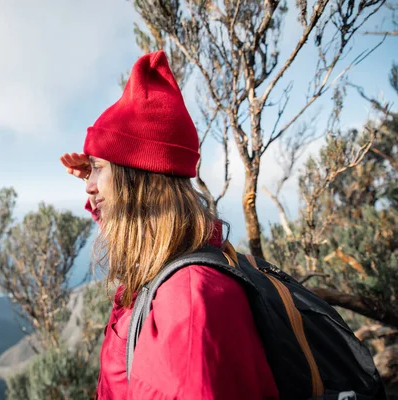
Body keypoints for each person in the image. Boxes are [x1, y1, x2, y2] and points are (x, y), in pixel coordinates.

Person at [60, 51, 279, 400]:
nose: (88, 184)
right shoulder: (171, 262)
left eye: (99, 168)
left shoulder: (189, 304)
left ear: (137, 181)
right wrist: (100, 190)